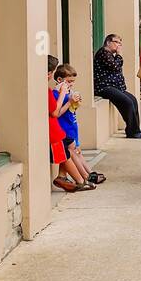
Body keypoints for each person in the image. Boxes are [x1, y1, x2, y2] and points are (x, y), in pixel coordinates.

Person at [49, 61, 103, 190]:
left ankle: (67, 176)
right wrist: (69, 101)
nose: (71, 84)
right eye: (69, 81)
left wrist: (75, 102)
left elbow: (70, 110)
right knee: (70, 151)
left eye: (73, 81)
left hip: (70, 126)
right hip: (61, 128)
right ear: (59, 80)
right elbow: (56, 113)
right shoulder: (56, 94)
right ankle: (83, 177)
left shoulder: (66, 93)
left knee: (74, 151)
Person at [93, 34, 141, 138]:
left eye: (120, 43)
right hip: (104, 87)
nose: (119, 45)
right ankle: (132, 132)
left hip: (115, 87)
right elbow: (115, 67)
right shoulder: (103, 53)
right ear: (108, 42)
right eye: (116, 42)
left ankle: (135, 128)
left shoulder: (111, 55)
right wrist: (119, 55)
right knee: (127, 102)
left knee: (133, 100)